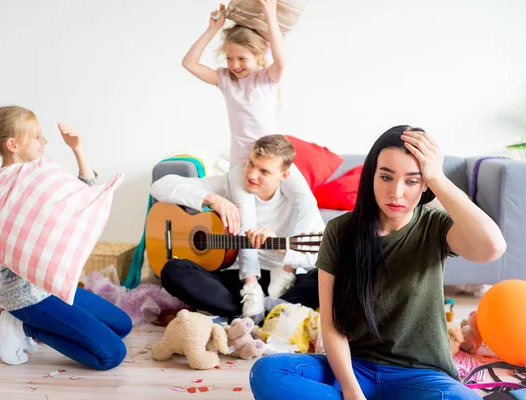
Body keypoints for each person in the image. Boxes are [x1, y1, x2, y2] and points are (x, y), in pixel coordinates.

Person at [249, 126, 506, 399]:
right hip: (353, 368)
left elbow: (493, 248)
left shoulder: (436, 227)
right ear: (371, 176)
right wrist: (352, 392)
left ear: (425, 185)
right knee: (267, 371)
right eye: (386, 177)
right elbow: (332, 324)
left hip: (420, 374)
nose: (396, 192)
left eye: (412, 181)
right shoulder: (339, 231)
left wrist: (437, 176)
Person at [0, 105, 132, 370]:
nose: (44, 142)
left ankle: (38, 323)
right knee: (111, 355)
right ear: (13, 144)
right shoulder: (8, 186)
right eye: (36, 136)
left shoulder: (36, 176)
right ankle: (26, 326)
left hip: (51, 284)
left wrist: (77, 149)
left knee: (122, 325)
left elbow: (81, 198)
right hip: (27, 296)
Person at [182, 0, 317, 314]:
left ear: (259, 56)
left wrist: (270, 14)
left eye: (242, 58)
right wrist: (212, 29)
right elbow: (189, 63)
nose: (235, 64)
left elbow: (281, 61)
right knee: (246, 224)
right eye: (229, 58)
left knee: (305, 200)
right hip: (242, 165)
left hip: (272, 161)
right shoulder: (226, 81)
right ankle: (251, 285)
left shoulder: (265, 80)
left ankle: (288, 269)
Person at [151, 134, 324, 318]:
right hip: (238, 281)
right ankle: (273, 313)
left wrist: (280, 248)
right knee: (172, 270)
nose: (251, 175)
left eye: (264, 172)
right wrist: (214, 199)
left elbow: (316, 257)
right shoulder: (230, 184)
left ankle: (262, 311)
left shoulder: (299, 203)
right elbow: (160, 186)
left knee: (335, 276)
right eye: (250, 164)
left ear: (284, 175)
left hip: (283, 281)